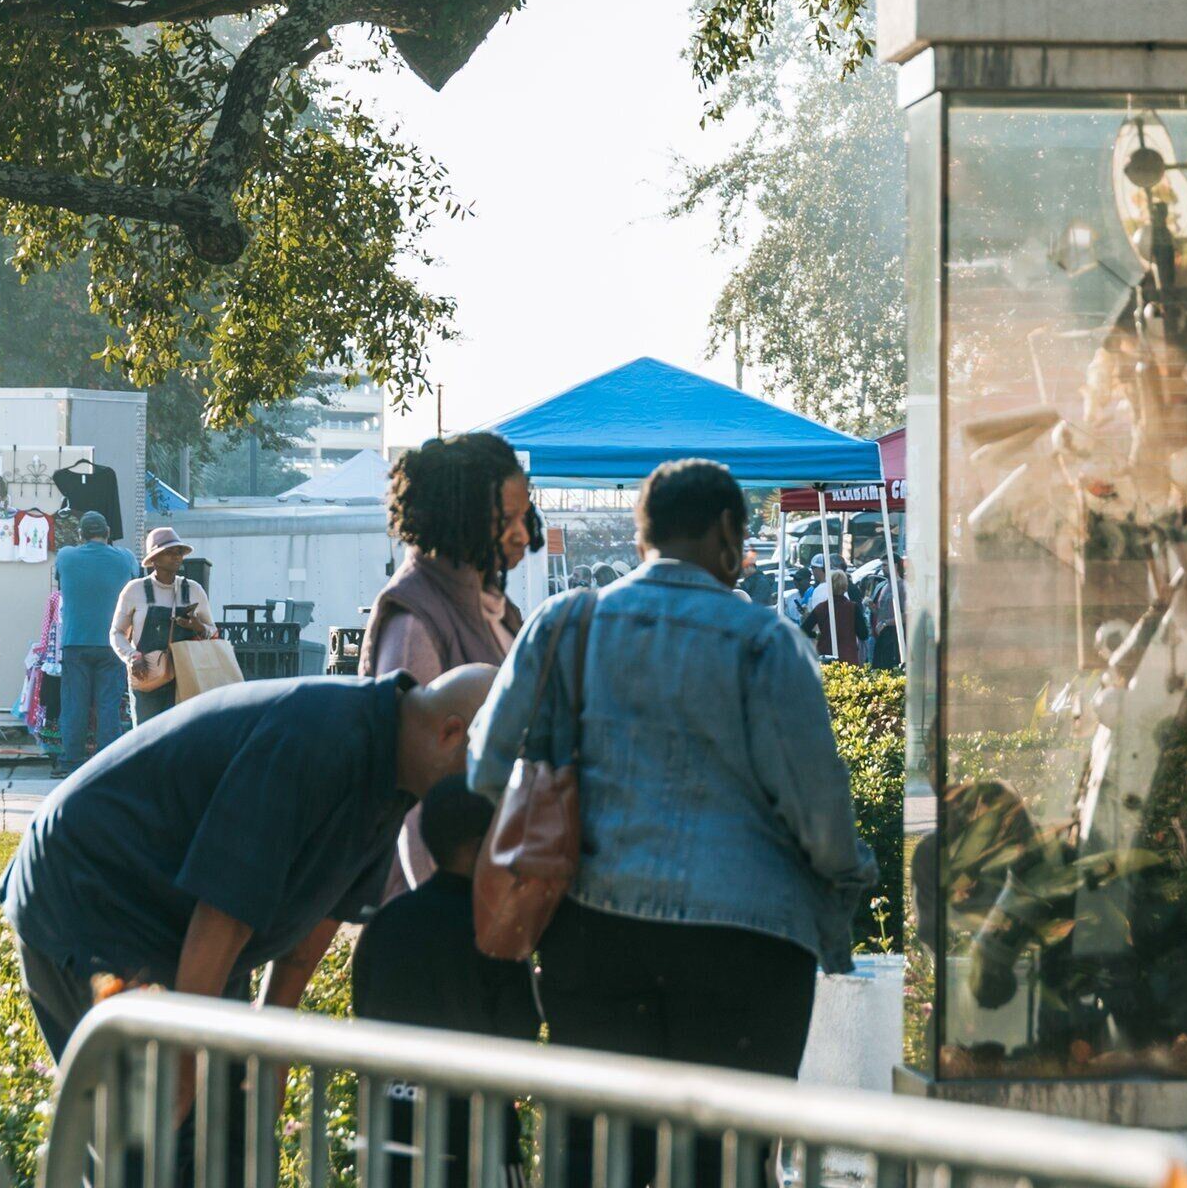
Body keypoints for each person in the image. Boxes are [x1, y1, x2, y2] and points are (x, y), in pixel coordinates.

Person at [469, 460, 870, 1188]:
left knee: (595, 1159)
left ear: (640, 536)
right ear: (728, 535)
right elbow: (817, 808)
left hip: (593, 933)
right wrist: (846, 882)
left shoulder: (565, 624)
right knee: (727, 1165)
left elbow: (486, 766)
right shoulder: (765, 642)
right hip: (746, 949)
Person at [0, 665, 497, 1057]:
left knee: (226, 1121)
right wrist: (185, 1066)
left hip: (179, 924)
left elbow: (321, 917)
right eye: (487, 779)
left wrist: (270, 1048)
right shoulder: (320, 740)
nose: (488, 800)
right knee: (153, 1129)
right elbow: (223, 912)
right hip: (94, 891)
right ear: (451, 733)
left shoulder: (397, 764)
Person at [349, 776, 536, 1188]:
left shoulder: (386, 922)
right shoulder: (496, 929)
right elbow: (520, 1032)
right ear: (480, 846)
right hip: (477, 1145)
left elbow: (363, 1008)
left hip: (392, 1136)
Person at [365, 433, 525, 684]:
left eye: (524, 517)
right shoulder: (413, 627)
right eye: (505, 520)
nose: (523, 535)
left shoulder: (490, 601)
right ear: (459, 517)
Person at [49, 512, 139, 769]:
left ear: (81, 534)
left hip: (75, 641)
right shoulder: (126, 558)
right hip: (113, 643)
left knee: (74, 704)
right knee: (108, 705)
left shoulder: (66, 556)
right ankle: (107, 764)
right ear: (108, 533)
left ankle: (71, 761)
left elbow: (60, 583)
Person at [113, 527, 213, 724]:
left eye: (179, 552)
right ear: (154, 559)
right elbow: (117, 632)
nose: (176, 556)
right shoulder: (135, 590)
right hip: (147, 673)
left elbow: (213, 631)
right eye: (169, 552)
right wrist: (132, 656)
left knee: (182, 734)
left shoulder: (194, 590)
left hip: (186, 677)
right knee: (147, 735)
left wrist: (198, 627)